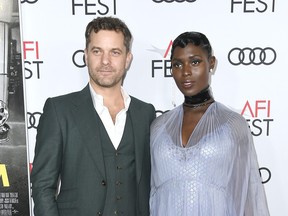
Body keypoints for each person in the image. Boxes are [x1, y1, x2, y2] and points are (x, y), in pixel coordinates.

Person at [31, 16, 156, 216]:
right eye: (97, 51)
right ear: (86, 56)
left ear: (128, 59)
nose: (105, 61)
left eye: (115, 52)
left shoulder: (145, 113)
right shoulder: (59, 110)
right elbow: (42, 186)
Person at [149, 31, 270, 216]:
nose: (186, 72)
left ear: (211, 63)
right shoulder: (158, 127)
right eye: (177, 64)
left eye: (195, 61)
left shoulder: (232, 125)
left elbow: (248, 195)